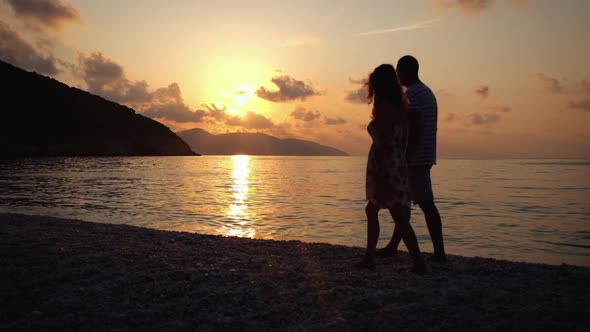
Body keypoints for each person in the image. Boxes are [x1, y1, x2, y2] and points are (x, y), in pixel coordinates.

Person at [356, 64, 426, 273]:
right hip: (396, 162)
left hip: (386, 165)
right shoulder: (400, 105)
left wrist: (384, 176)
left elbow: (385, 140)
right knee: (376, 210)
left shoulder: (385, 105)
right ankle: (370, 257)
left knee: (398, 216)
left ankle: (419, 262)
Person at [377, 55, 447, 263]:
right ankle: (393, 246)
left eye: (399, 73)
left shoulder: (413, 93)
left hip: (415, 157)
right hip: (423, 155)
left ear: (405, 71)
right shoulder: (426, 92)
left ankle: (440, 253)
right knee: (404, 203)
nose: (397, 78)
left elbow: (414, 128)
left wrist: (405, 156)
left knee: (425, 203)